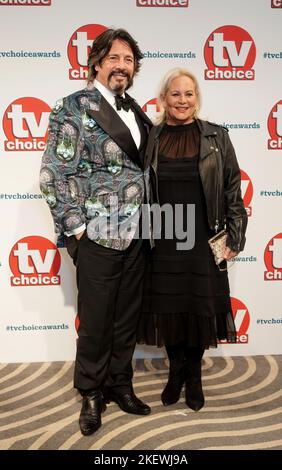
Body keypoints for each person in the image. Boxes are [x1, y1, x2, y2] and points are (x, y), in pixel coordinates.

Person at [40, 28, 153, 436]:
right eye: (115, 58)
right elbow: (54, 174)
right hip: (97, 235)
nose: (122, 66)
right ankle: (90, 391)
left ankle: (120, 384)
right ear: (96, 63)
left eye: (129, 60)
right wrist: (78, 230)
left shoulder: (136, 109)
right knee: (95, 320)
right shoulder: (73, 107)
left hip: (139, 232)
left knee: (126, 317)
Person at [137, 68, 248, 411]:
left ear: (196, 98)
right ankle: (175, 373)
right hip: (165, 236)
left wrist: (236, 234)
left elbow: (232, 186)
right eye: (175, 94)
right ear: (164, 99)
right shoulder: (152, 137)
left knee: (199, 307)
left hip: (203, 237)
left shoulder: (217, 137)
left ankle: (194, 375)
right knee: (168, 308)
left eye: (188, 94)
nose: (182, 100)